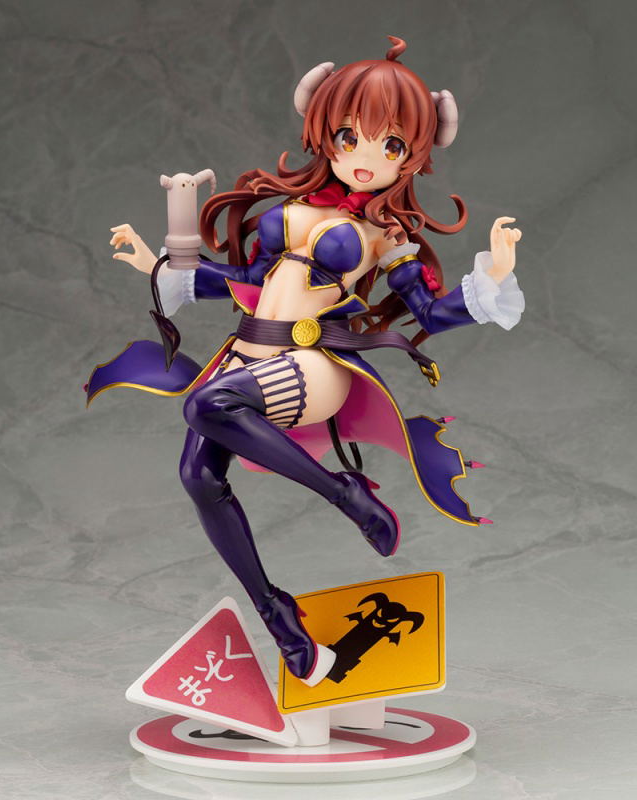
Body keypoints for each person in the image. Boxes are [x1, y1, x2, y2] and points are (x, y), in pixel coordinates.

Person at [86, 36, 524, 686]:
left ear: (414, 154)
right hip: (248, 352)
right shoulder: (292, 211)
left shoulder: (386, 237)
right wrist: (162, 263)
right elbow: (244, 280)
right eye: (351, 137)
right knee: (198, 477)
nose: (366, 158)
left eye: (391, 146)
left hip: (311, 364)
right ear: (326, 133)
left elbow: (429, 314)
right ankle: (280, 618)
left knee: (206, 404)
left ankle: (346, 494)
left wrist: (493, 278)